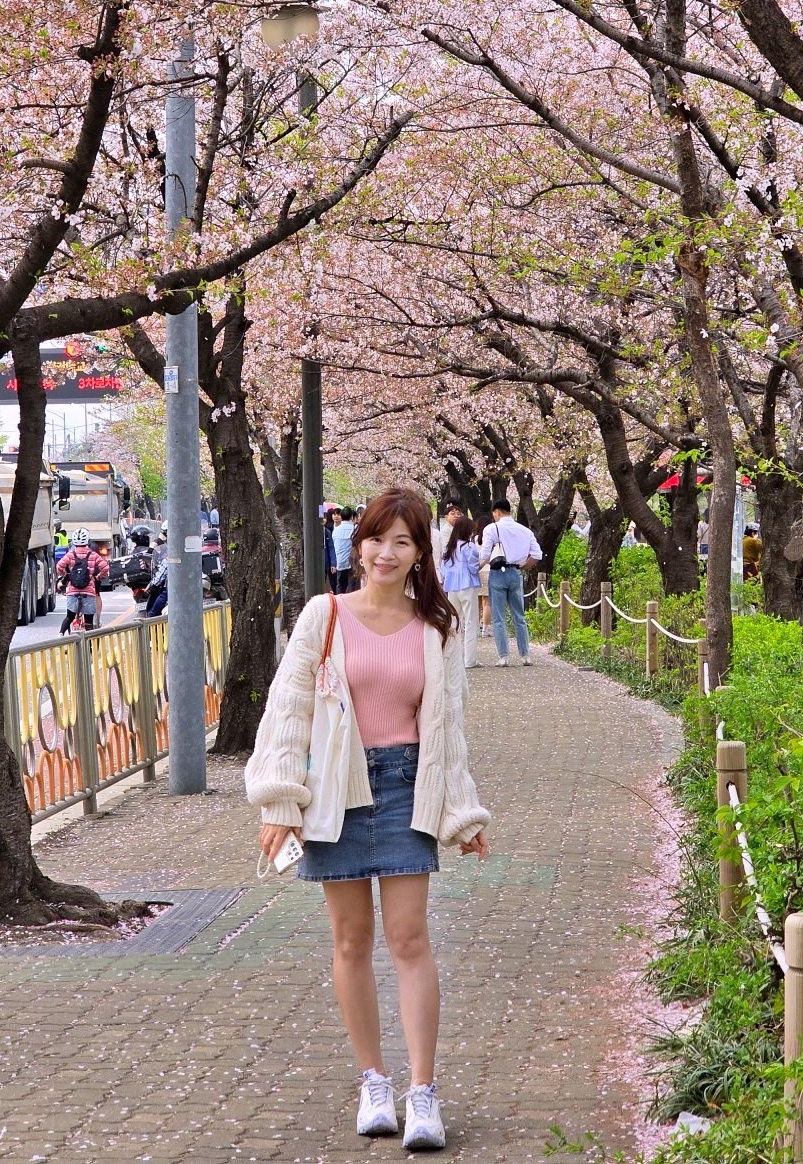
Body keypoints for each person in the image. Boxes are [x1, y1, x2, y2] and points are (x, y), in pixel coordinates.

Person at [246, 487, 490, 1151]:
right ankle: (373, 1082)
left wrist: (462, 813)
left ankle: (423, 1092)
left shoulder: (435, 628)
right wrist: (279, 801)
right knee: (351, 940)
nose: (387, 552)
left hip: (409, 786)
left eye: (403, 542)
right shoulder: (322, 616)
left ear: (420, 554)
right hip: (337, 789)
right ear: (360, 546)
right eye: (378, 538)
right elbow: (288, 712)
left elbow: (447, 729)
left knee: (409, 938)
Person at [477, 499, 542, 667]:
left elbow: (484, 555)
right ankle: (525, 655)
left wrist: (474, 569)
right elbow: (537, 554)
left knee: (498, 618)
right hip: (515, 573)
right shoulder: (525, 530)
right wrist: (523, 567)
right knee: (519, 616)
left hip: (498, 573)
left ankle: (503, 656)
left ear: (497, 512)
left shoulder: (492, 528)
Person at [440, 515, 481, 669]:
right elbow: (473, 567)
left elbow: (444, 570)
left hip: (452, 588)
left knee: (453, 623)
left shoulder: (450, 548)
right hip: (467, 586)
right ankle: (469, 660)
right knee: (471, 622)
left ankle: (449, 657)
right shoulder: (468, 547)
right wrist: (482, 562)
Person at [55, 528, 108, 635]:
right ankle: (89, 647)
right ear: (87, 540)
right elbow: (105, 568)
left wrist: (64, 575)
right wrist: (97, 577)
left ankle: (60, 634)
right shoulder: (93, 555)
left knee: (70, 616)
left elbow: (59, 566)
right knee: (89, 622)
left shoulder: (71, 554)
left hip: (73, 591)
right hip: (88, 591)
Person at [333, 506, 356, 593]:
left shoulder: (335, 531)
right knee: (351, 586)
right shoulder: (354, 529)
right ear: (351, 517)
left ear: (341, 517)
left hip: (340, 562)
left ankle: (339, 604)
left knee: (340, 585)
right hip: (351, 562)